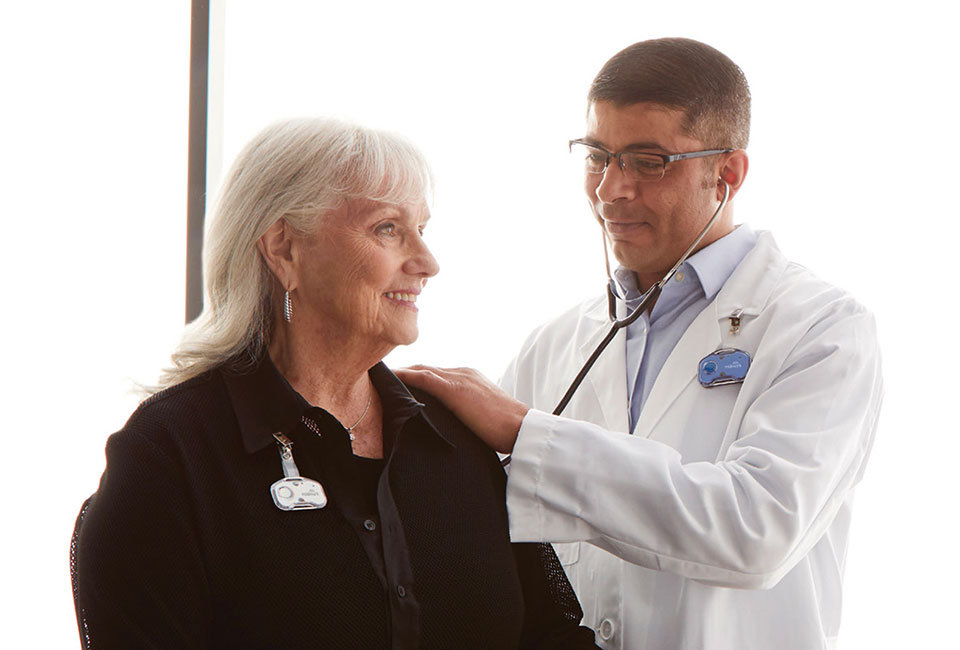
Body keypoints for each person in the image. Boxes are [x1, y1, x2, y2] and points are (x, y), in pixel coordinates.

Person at [397, 38, 883, 650]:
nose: (610, 190)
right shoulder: (555, 343)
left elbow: (757, 531)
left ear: (726, 174)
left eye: (648, 161)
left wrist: (527, 433)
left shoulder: (823, 328)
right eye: (598, 156)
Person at [70, 118, 597, 649]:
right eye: (388, 228)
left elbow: (552, 637)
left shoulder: (457, 442)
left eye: (422, 229)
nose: (427, 263)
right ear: (284, 250)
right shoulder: (170, 453)